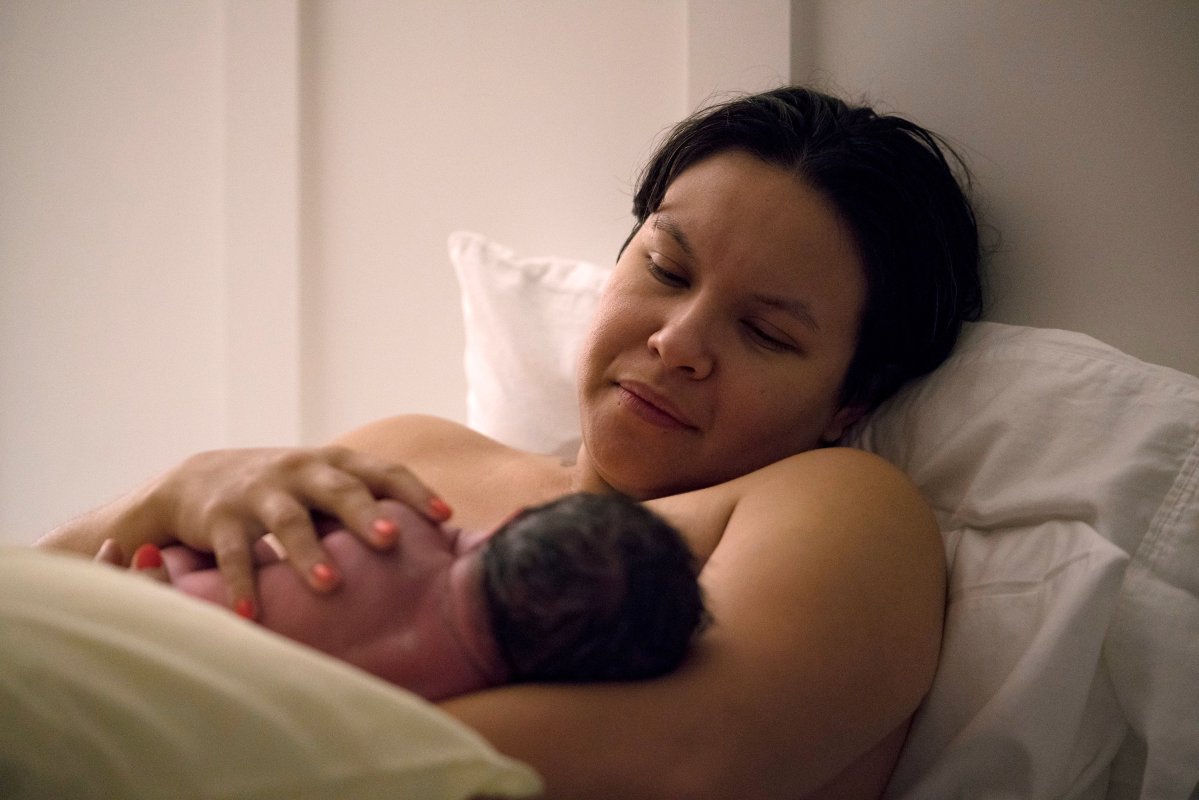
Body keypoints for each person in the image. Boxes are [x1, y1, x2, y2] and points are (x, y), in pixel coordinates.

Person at [39, 85, 983, 800]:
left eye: (766, 333)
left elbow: (686, 756)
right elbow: (41, 600)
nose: (677, 342)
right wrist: (175, 490)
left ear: (849, 401)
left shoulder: (841, 507)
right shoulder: (417, 450)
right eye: (663, 266)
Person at [110, 493, 708, 701]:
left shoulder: (398, 531)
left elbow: (269, 534)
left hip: (157, 607)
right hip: (180, 693)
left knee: (226, 559)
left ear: (507, 523)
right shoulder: (466, 693)